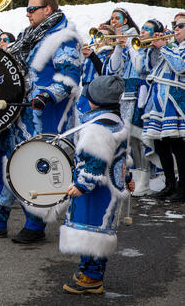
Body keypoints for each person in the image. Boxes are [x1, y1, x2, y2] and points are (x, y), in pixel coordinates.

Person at [0, 0, 82, 243]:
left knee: (33, 167)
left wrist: (47, 95)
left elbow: (71, 77)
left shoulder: (64, 38)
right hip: (14, 110)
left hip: (42, 113)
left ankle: (35, 223)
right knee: (1, 163)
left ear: (47, 9)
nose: (27, 14)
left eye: (32, 9)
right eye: (27, 10)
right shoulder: (29, 35)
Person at [60, 75, 132, 294]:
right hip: (111, 188)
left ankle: (91, 278)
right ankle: (90, 271)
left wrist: (82, 185)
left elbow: (95, 163)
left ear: (95, 100)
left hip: (95, 193)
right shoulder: (116, 121)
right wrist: (127, 178)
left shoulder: (96, 129)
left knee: (91, 235)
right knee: (99, 233)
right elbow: (122, 156)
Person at [103, 9, 160, 198]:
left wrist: (128, 44)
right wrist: (119, 47)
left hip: (141, 95)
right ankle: (136, 181)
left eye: (146, 29)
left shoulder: (142, 47)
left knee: (142, 139)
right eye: (142, 28)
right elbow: (113, 69)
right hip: (126, 95)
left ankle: (146, 181)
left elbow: (139, 67)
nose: (142, 31)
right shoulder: (131, 45)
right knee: (130, 141)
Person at [140, 13, 185, 202]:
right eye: (175, 25)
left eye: (180, 26)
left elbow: (180, 66)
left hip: (174, 103)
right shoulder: (173, 47)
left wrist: (165, 47)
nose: (176, 29)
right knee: (161, 143)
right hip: (159, 102)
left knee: (178, 146)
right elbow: (150, 67)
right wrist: (155, 48)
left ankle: (183, 188)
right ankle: (169, 184)